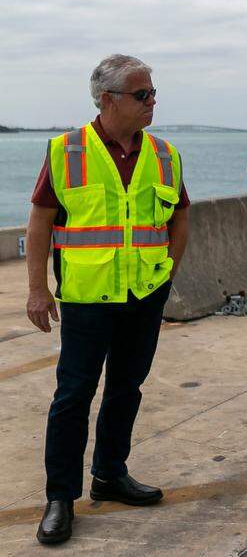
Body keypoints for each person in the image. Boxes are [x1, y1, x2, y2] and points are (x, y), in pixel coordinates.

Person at [25, 55, 190, 545]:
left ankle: (110, 474)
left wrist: (167, 272)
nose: (152, 102)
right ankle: (60, 497)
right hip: (87, 297)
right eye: (143, 95)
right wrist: (37, 289)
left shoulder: (163, 154)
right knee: (73, 395)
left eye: (153, 93)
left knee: (127, 386)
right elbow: (39, 220)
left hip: (144, 294)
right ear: (108, 100)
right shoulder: (66, 150)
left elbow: (180, 215)